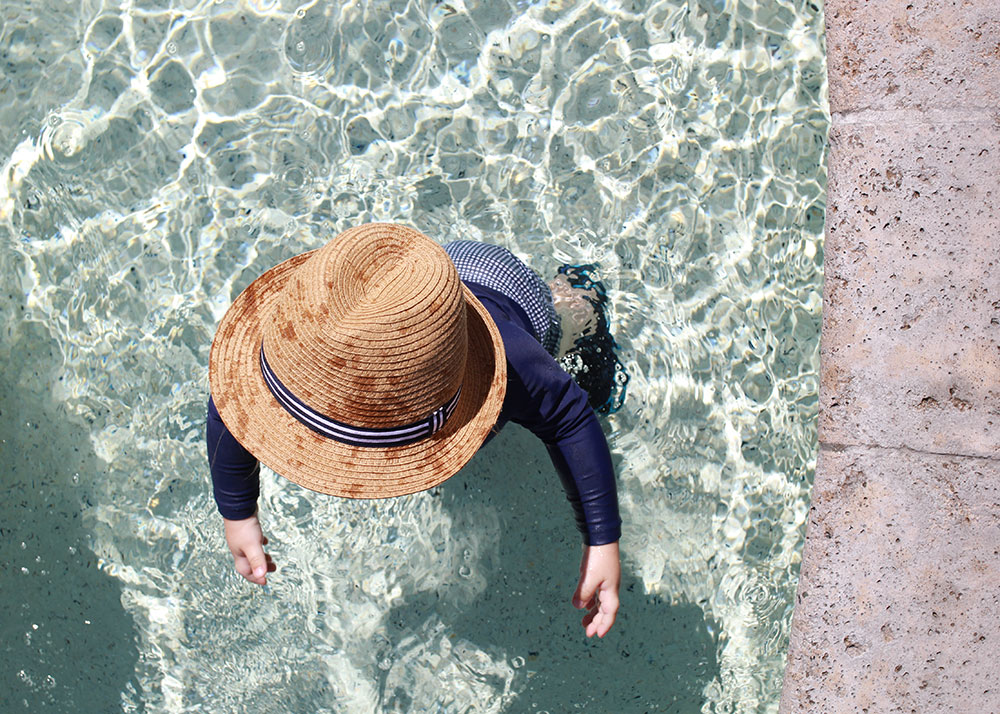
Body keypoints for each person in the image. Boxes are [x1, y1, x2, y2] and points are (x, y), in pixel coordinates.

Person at [207, 223, 627, 638]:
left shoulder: (514, 361)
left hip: (514, 295)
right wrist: (237, 511)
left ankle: (578, 289)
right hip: (420, 285)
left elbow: (569, 419)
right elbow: (235, 404)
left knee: (577, 340)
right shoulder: (311, 342)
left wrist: (601, 538)